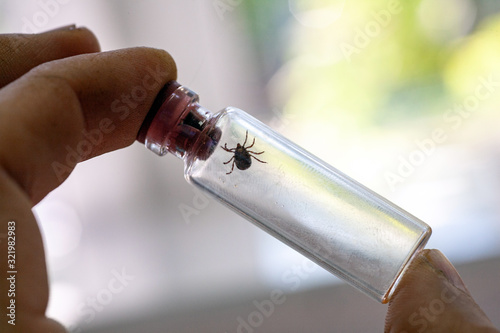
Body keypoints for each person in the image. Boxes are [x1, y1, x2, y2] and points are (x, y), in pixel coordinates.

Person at [0, 25, 497, 333]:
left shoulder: (229, 134)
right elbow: (245, 156)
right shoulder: (207, 165)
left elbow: (248, 153)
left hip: (389, 249)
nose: (194, 132)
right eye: (186, 127)